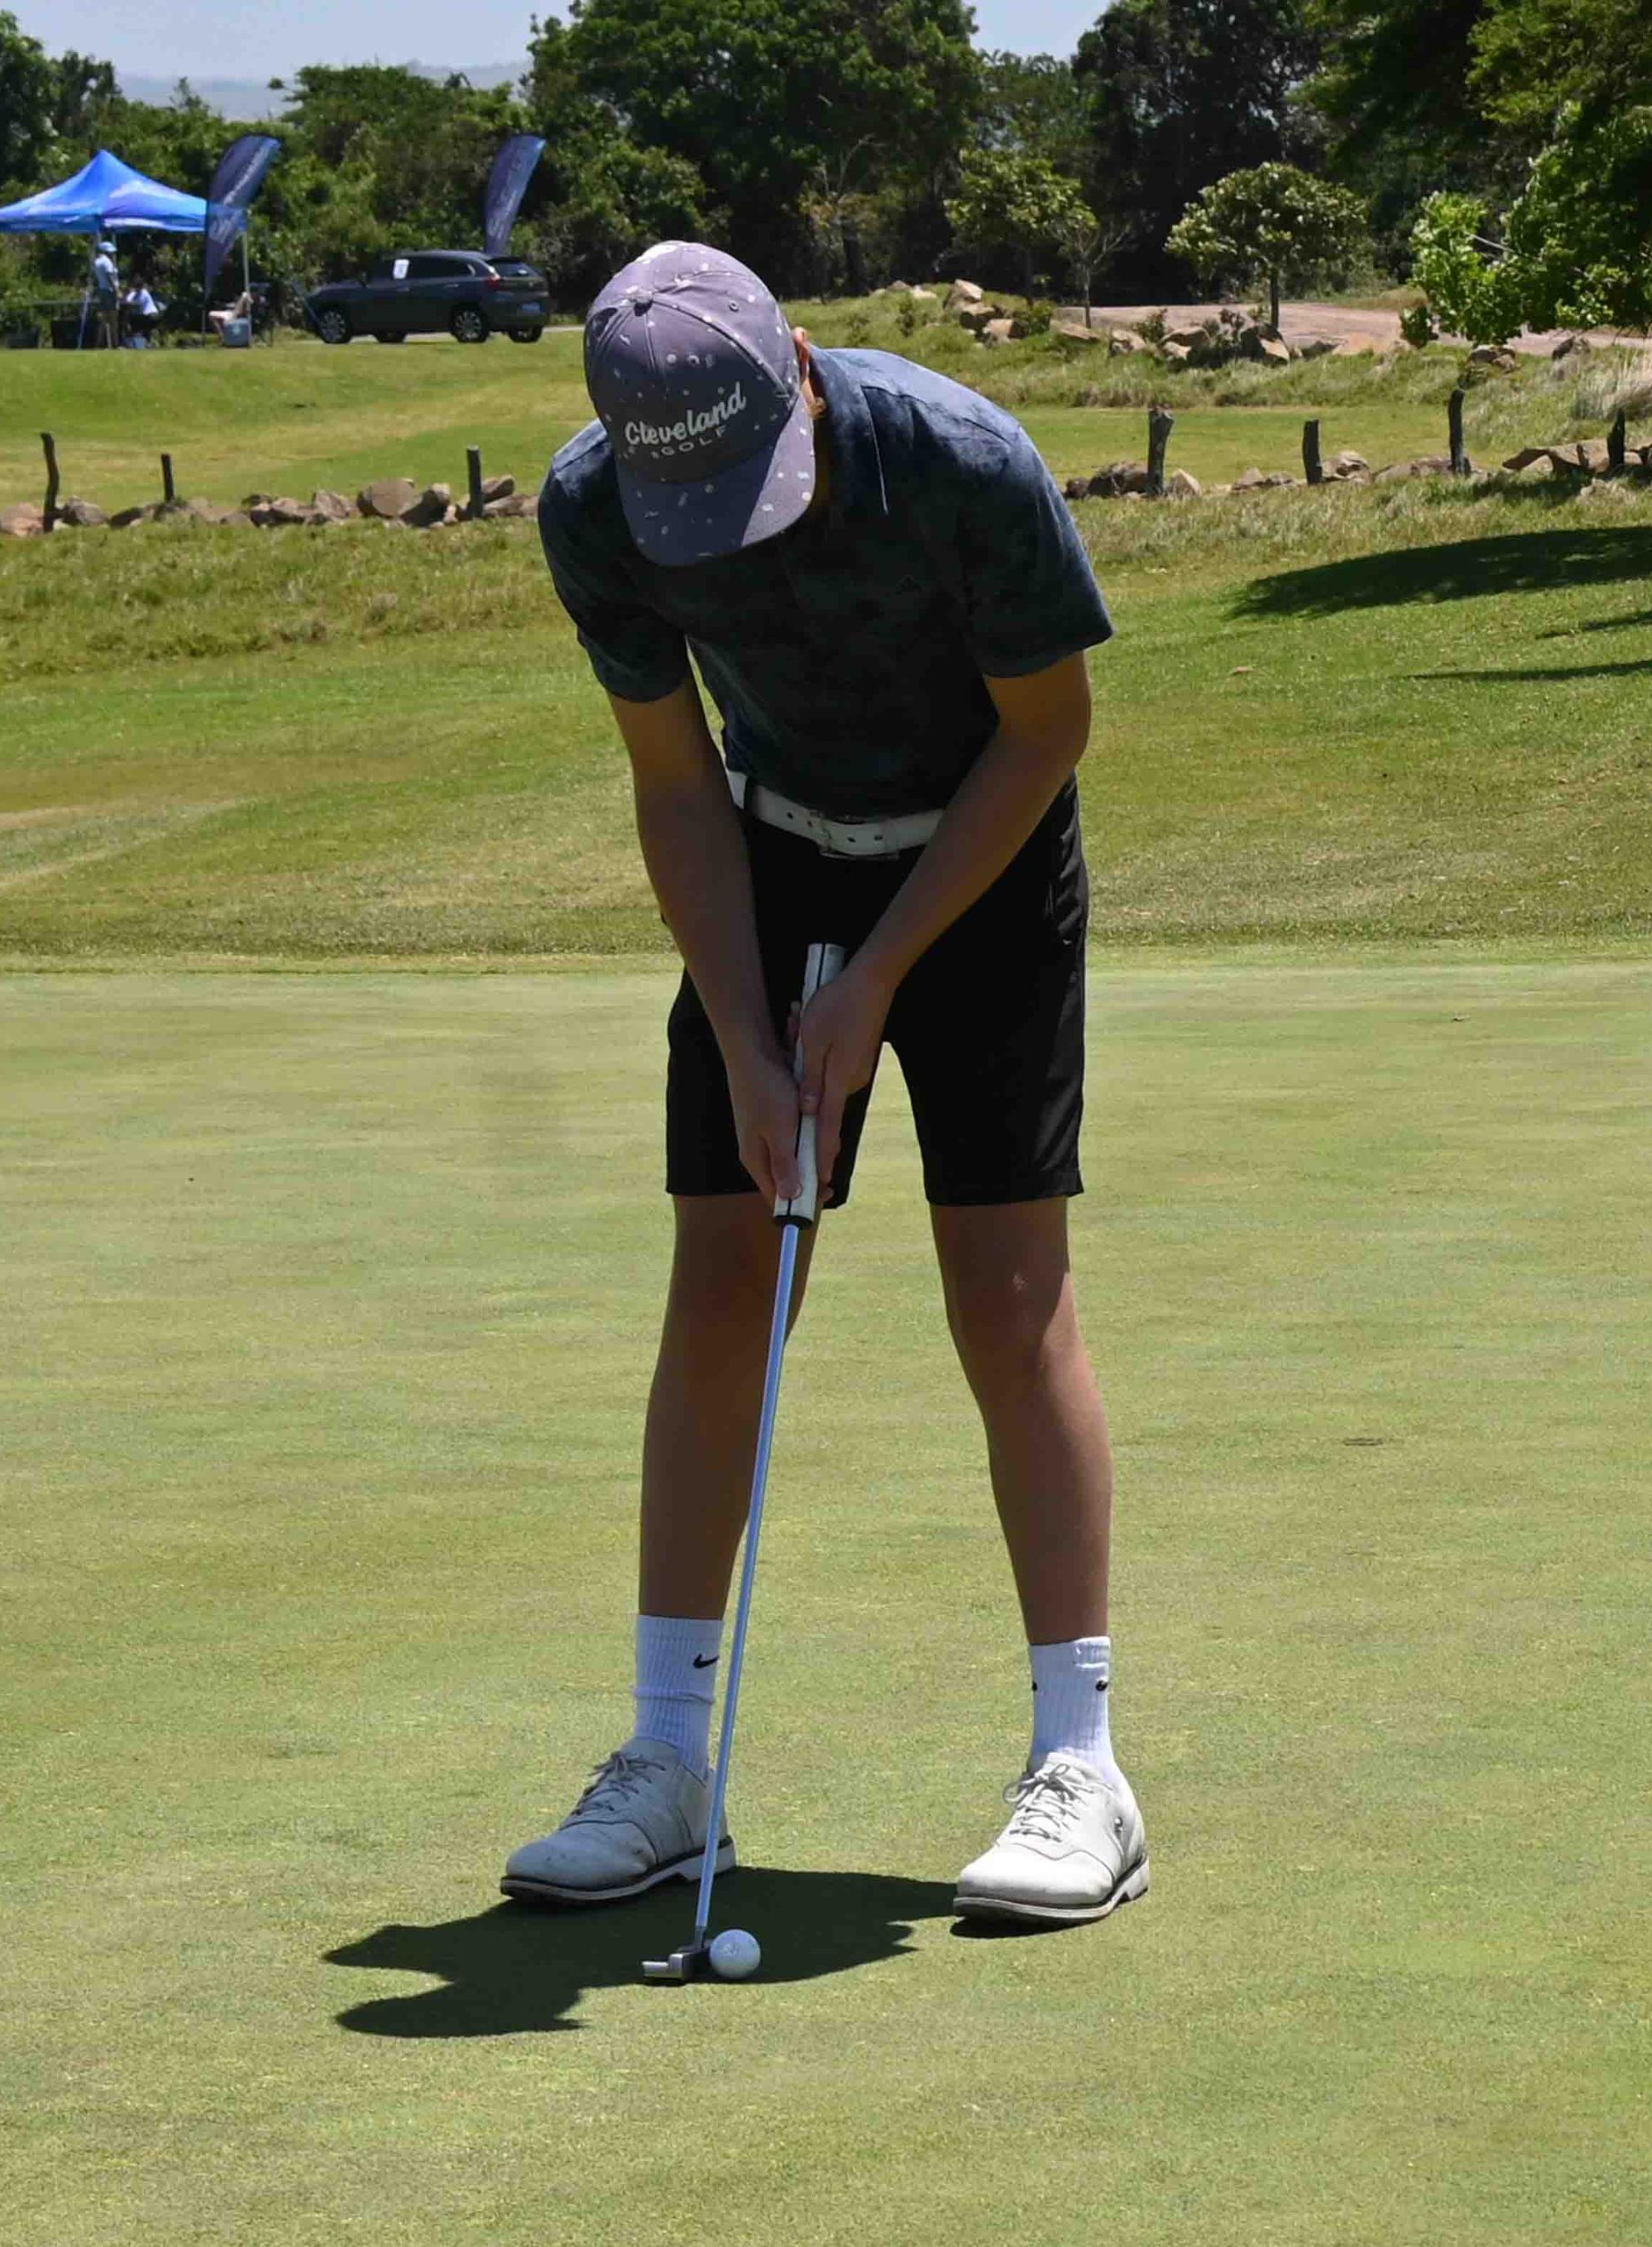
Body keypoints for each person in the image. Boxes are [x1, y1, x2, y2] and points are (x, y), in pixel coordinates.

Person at [503, 241, 1144, 1926]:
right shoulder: (594, 516)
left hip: (984, 864)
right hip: (771, 858)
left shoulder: (959, 464)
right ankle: (663, 1757)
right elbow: (675, 784)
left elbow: (1049, 730)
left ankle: (1082, 1767)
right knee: (725, 1284)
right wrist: (741, 1028)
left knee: (1007, 1300)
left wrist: (879, 977)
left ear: (796, 363)